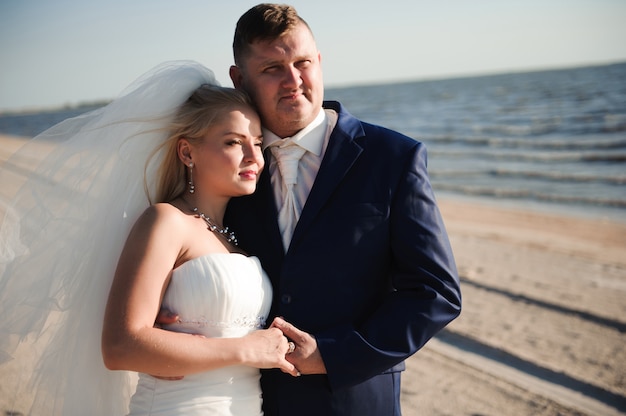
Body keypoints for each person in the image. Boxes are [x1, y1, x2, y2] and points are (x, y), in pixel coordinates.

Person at [0, 61, 297, 416]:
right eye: (234, 142)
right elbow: (120, 346)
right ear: (187, 152)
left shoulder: (235, 234)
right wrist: (246, 349)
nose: (254, 157)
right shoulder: (165, 221)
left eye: (258, 142)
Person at [224, 4, 462, 415]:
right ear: (239, 79)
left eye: (302, 63)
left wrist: (333, 355)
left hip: (354, 400)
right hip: (245, 400)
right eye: (272, 69)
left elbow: (435, 293)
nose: (293, 81)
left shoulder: (393, 157)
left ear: (319, 61)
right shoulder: (224, 167)